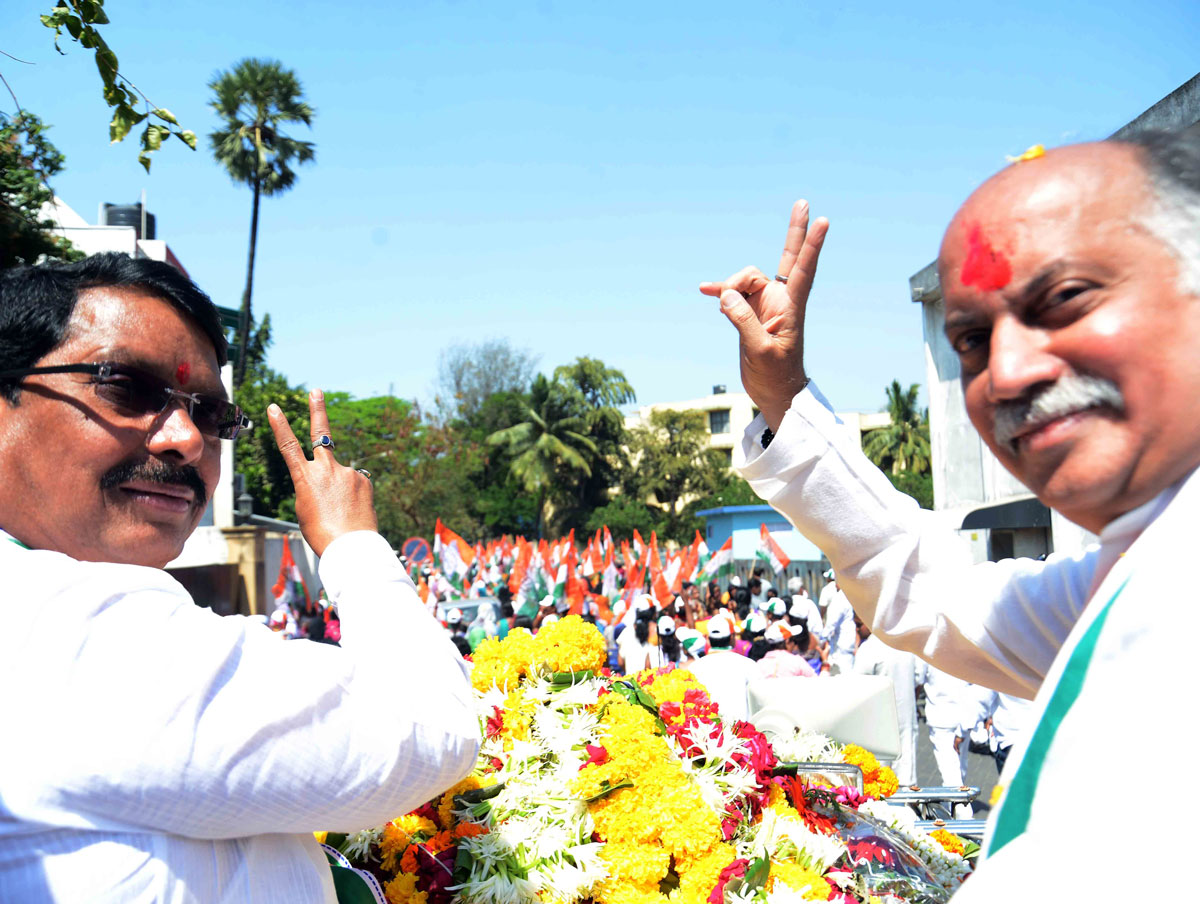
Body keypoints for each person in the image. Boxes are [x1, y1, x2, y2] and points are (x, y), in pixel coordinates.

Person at [702, 127, 1200, 895]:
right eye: (971, 339)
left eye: (1065, 300)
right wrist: (784, 398)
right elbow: (927, 593)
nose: (1007, 372)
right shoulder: (1135, 575)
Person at [0, 254, 480, 902]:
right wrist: (353, 544)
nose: (184, 440)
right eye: (125, 388)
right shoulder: (73, 632)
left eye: (210, 415)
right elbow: (429, 727)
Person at [852, 616, 919, 786]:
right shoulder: (906, 645)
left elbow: (857, 688)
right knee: (905, 779)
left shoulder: (869, 649)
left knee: (878, 784)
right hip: (905, 721)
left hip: (878, 725)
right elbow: (918, 680)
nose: (857, 629)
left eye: (859, 624)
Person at [688, 617, 762, 721]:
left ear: (708, 639)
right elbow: (759, 703)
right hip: (742, 734)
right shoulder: (749, 665)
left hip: (705, 734)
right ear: (732, 637)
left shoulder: (693, 668)